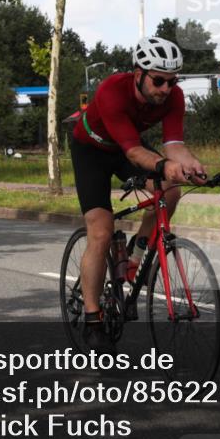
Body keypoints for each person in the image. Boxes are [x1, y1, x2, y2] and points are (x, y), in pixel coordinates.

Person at [69, 36, 207, 352]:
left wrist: (192, 166)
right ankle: (92, 320)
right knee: (101, 232)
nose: (166, 89)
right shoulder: (112, 91)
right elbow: (134, 153)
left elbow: (175, 146)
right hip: (92, 152)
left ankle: (135, 254)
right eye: (158, 80)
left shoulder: (174, 98)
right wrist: (165, 166)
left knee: (170, 191)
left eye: (172, 81)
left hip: (125, 148)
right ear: (138, 74)